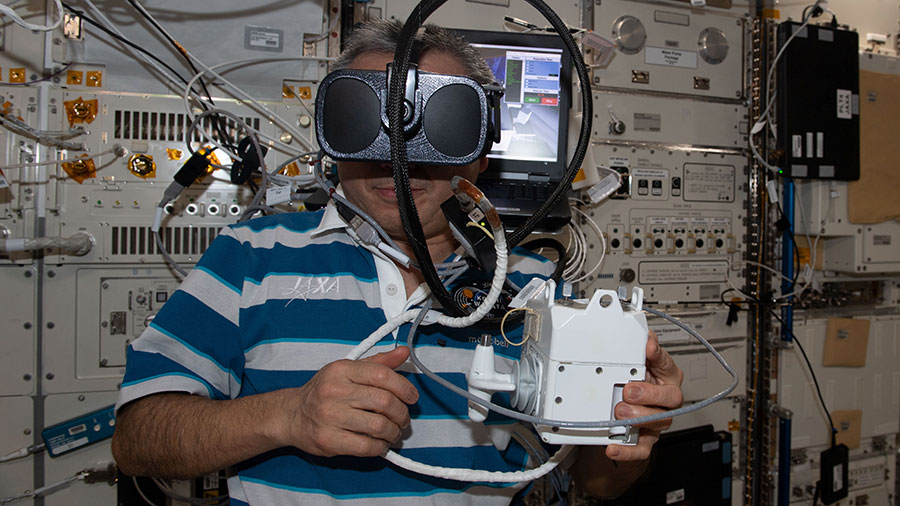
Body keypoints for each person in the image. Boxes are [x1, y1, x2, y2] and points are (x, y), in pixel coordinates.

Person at [111, 19, 684, 505]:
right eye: (372, 122)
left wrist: (631, 437)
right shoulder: (252, 255)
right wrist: (287, 416)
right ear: (334, 139)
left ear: (481, 153)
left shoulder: (531, 286)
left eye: (435, 128)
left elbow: (595, 481)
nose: (398, 163)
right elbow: (138, 439)